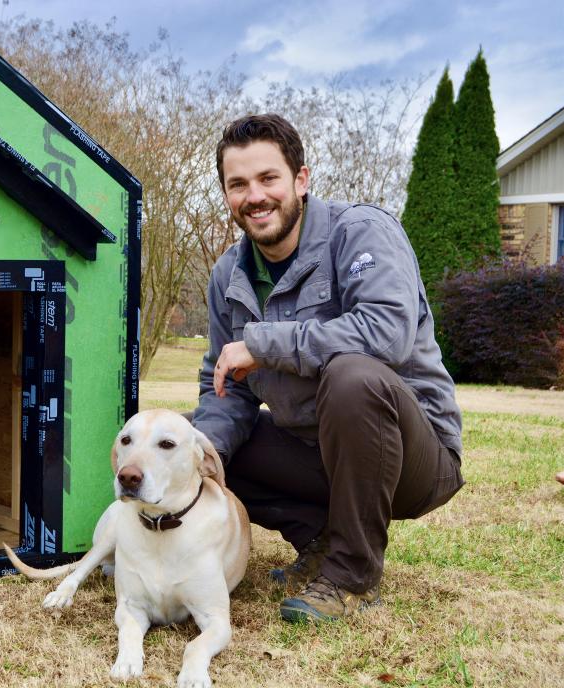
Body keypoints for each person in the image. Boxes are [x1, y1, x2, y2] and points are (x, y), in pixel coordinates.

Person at [192, 113, 465, 623]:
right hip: (316, 453)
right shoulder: (229, 274)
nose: (255, 196)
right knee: (196, 439)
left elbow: (387, 333)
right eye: (238, 184)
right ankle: (320, 540)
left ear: (300, 179)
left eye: (268, 178)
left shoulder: (361, 231)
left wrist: (265, 343)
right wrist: (199, 462)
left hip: (413, 457)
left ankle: (353, 574)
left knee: (352, 376)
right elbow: (225, 388)